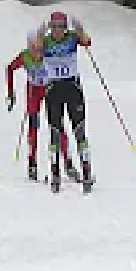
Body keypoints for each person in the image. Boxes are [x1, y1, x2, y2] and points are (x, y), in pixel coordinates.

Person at [6, 30, 77, 182]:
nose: (36, 51)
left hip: (50, 89)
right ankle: (32, 163)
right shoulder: (24, 56)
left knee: (57, 126)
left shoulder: (48, 54)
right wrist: (11, 93)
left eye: (38, 47)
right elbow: (10, 68)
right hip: (33, 92)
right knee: (33, 126)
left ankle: (68, 163)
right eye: (32, 47)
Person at [41, 11, 94, 192]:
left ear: (66, 27)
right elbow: (34, 49)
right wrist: (41, 32)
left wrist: (79, 29)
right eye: (54, 26)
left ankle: (87, 173)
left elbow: (87, 42)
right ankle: (55, 175)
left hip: (73, 89)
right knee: (55, 132)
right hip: (53, 90)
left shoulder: (72, 37)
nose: (58, 30)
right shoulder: (46, 41)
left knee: (79, 131)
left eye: (62, 26)